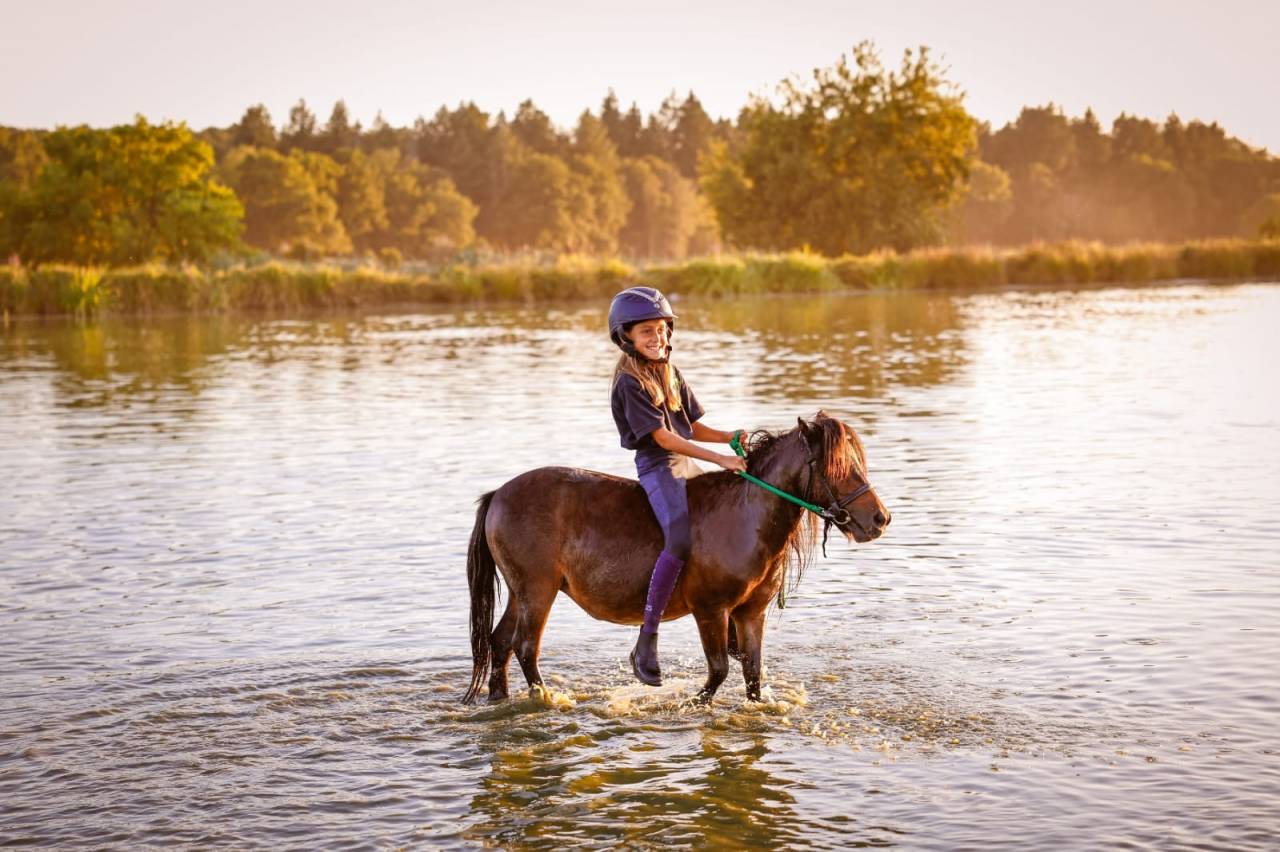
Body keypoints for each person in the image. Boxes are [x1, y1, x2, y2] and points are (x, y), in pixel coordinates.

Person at [607, 286, 748, 687]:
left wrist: (729, 437)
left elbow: (690, 426)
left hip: (684, 460)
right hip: (658, 467)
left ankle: (732, 620)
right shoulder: (629, 382)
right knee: (682, 540)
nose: (658, 338)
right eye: (647, 332)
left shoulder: (669, 371)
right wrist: (720, 460)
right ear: (627, 338)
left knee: (718, 531)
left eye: (663, 329)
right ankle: (647, 635)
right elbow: (664, 438)